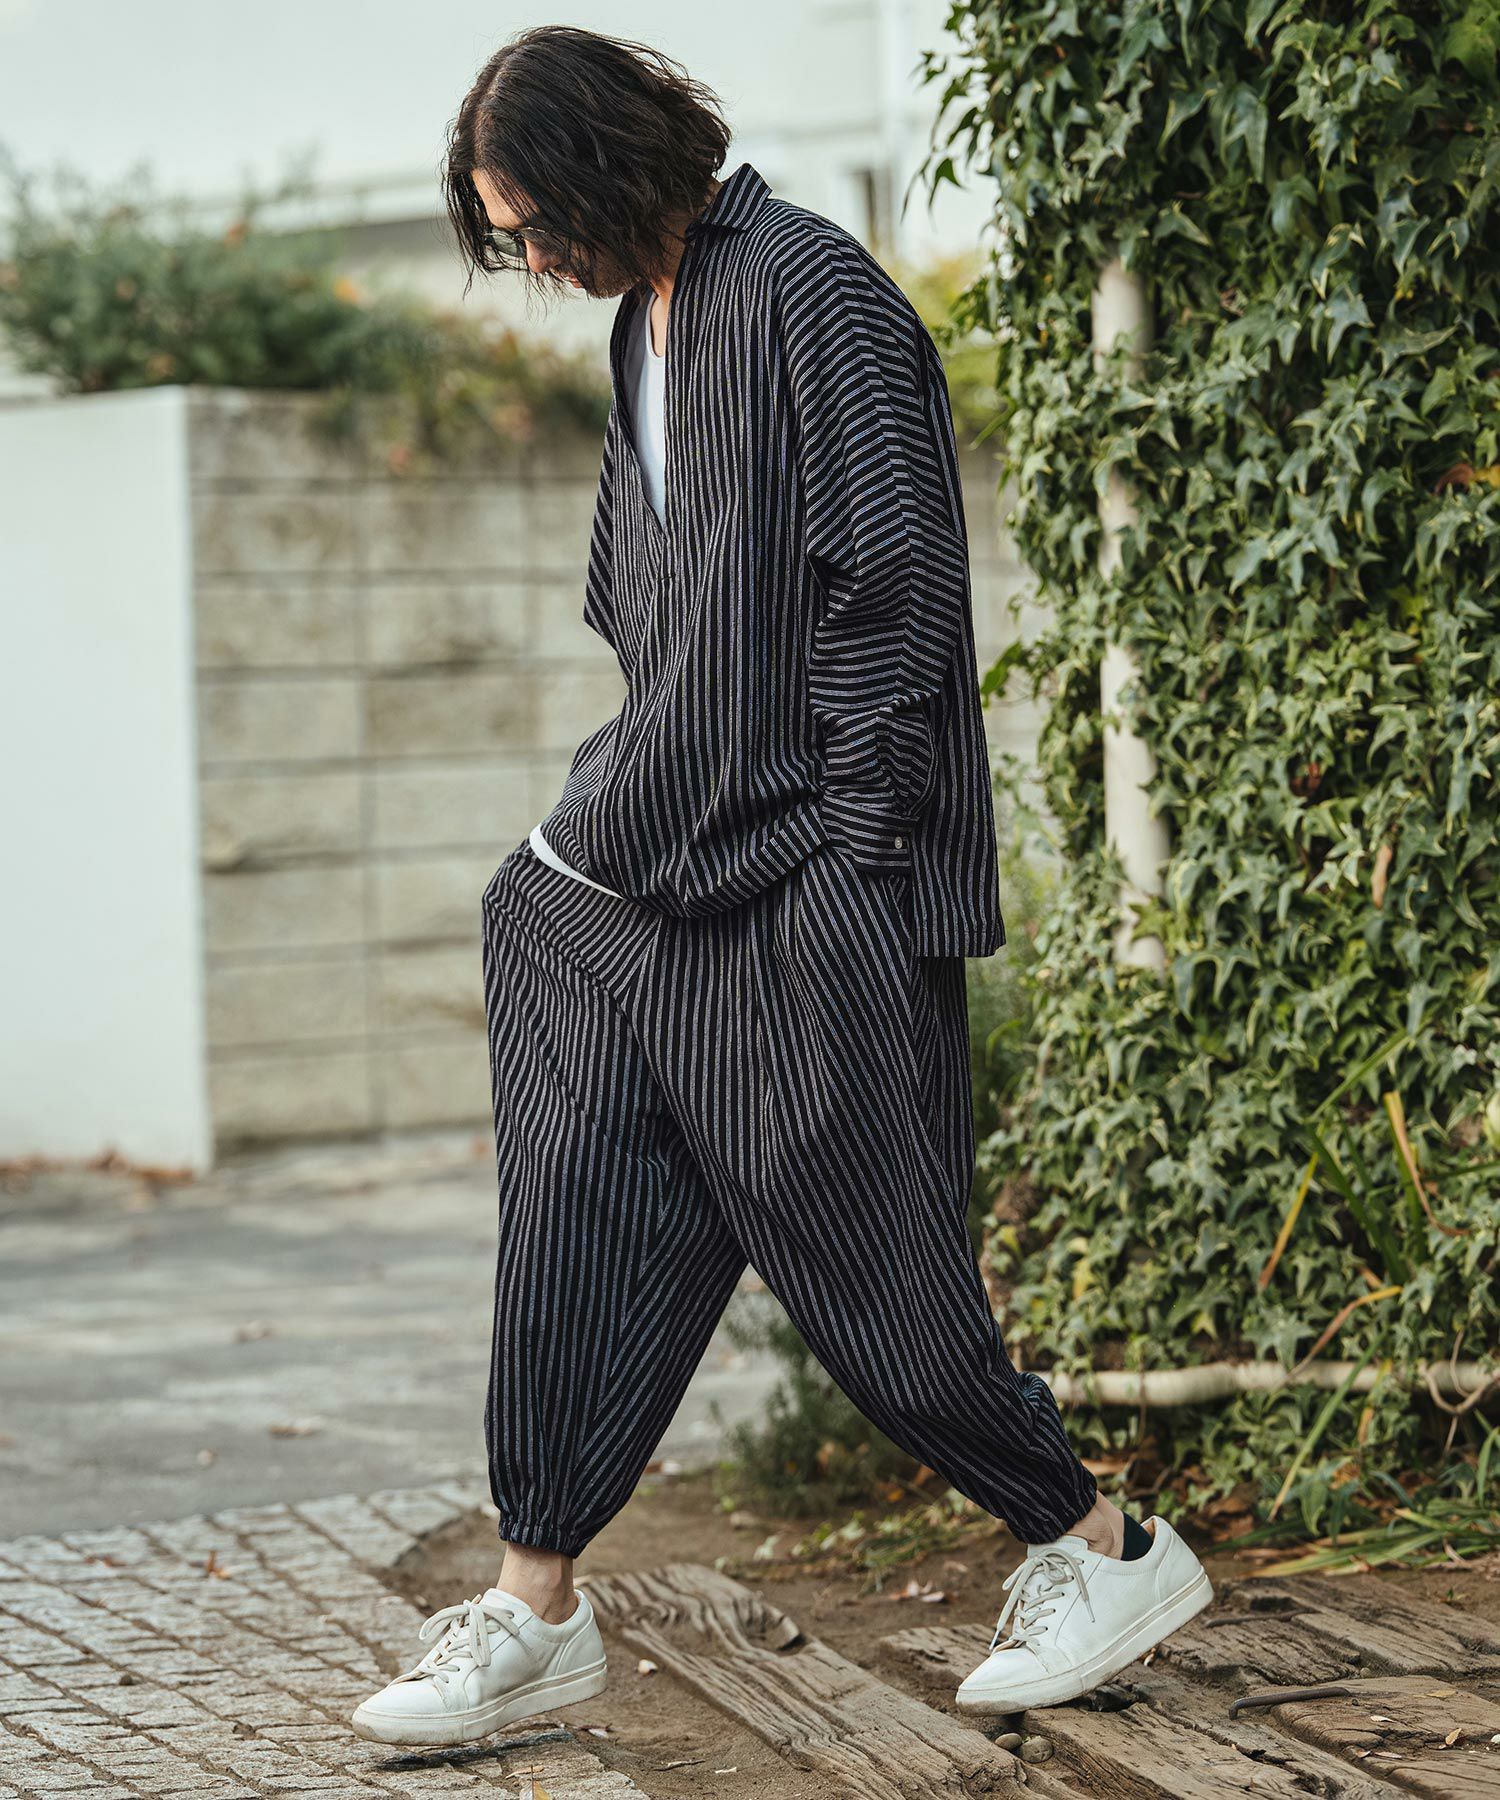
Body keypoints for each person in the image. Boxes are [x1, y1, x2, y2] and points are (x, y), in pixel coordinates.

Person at [350, 24, 1211, 1750]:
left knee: (869, 1263)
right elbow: (649, 613)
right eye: (508, 236)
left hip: (815, 874)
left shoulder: (812, 289)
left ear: (610, 164)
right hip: (657, 880)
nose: (532, 259)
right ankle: (536, 1601)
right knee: (579, 1206)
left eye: (535, 222)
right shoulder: (642, 327)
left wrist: (861, 866)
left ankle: (1102, 1546)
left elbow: (899, 589)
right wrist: (622, 813)